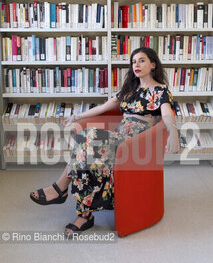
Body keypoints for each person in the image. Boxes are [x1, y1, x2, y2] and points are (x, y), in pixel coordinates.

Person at [30, 47, 180, 238]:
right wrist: (76, 116)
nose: (136, 65)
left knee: (88, 137)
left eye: (142, 60)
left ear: (153, 64)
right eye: (133, 62)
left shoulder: (160, 90)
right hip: (118, 140)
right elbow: (103, 108)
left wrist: (173, 132)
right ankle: (84, 215)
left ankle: (61, 189)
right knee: (86, 149)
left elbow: (167, 114)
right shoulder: (129, 89)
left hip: (135, 144)